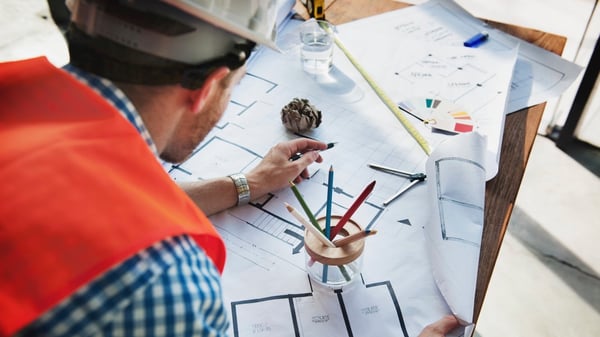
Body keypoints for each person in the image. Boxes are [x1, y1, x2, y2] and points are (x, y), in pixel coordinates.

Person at [0, 0, 459, 336]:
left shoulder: (17, 111)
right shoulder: (163, 282)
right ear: (209, 85)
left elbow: (88, 210)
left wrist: (247, 184)